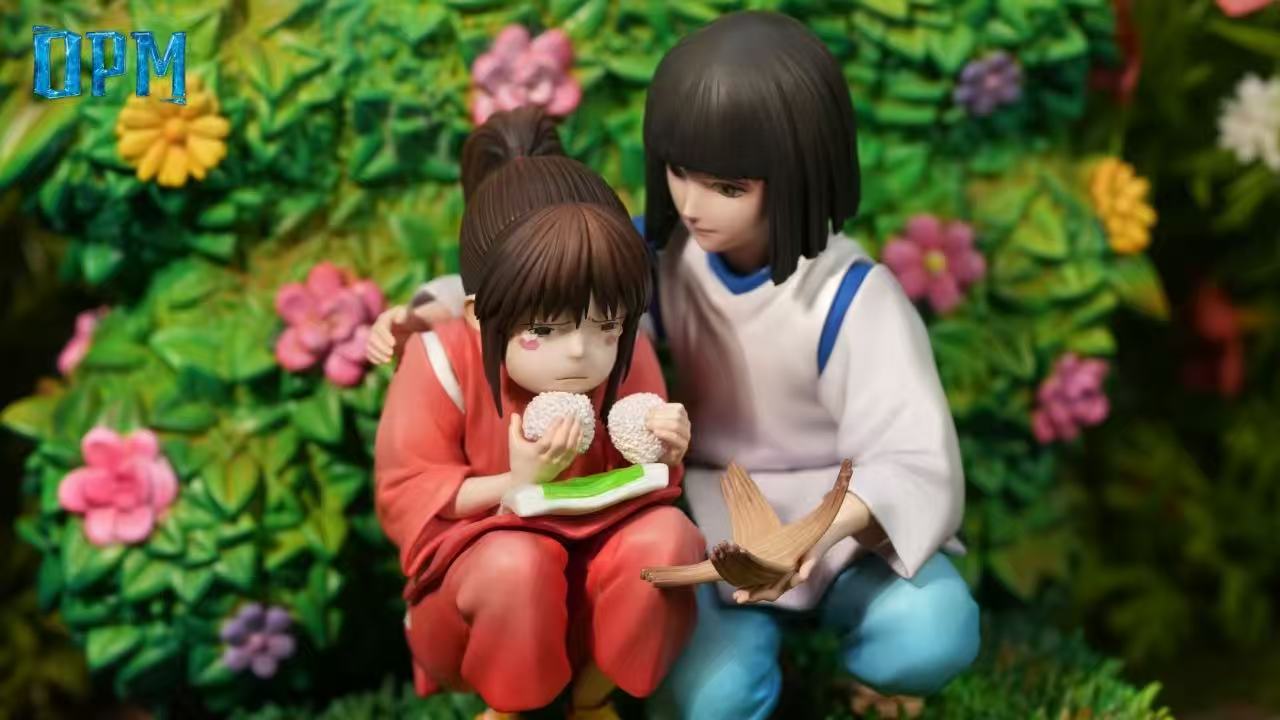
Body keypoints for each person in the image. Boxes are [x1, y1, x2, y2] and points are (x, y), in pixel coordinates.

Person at [371, 13, 980, 718]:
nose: (691, 205)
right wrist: (433, 305)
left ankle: (874, 669)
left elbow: (913, 460)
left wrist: (814, 534)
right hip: (717, 519)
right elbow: (539, 270)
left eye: (728, 187)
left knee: (928, 630)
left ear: (797, 173)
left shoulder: (851, 297)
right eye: (679, 173)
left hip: (836, 523)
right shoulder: (666, 258)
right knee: (712, 698)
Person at [374, 108, 703, 720]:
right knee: (516, 564)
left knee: (668, 538)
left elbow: (653, 481)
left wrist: (665, 444)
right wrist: (514, 483)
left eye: (605, 323)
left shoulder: (624, 354)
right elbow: (405, 493)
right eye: (544, 329)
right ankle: (513, 709)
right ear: (479, 316)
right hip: (479, 591)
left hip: (601, 567)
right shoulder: (441, 360)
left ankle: (594, 699)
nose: (581, 351)